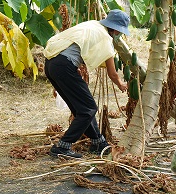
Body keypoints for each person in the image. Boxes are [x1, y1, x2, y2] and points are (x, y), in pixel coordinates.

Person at [43, 9, 130, 158]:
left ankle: (98, 142)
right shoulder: (105, 38)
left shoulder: (92, 25)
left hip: (51, 63)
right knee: (89, 108)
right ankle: (63, 146)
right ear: (116, 30)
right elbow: (113, 73)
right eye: (119, 32)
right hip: (64, 65)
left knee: (81, 108)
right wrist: (121, 84)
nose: (119, 35)